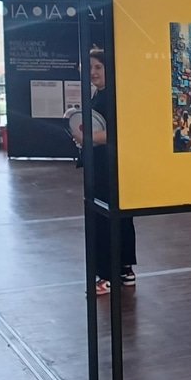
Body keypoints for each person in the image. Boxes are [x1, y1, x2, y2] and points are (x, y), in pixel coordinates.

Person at [75, 48, 137, 295]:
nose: (93, 72)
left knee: (106, 218)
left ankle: (108, 276)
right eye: (89, 68)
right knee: (121, 216)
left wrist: (86, 138)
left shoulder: (112, 96)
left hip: (109, 168)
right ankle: (124, 270)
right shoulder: (102, 95)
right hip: (108, 166)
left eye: (98, 67)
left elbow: (117, 132)